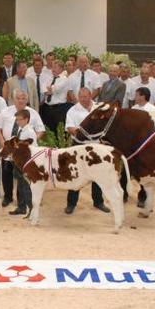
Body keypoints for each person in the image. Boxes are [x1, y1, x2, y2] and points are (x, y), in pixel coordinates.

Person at [0, 90, 45, 208]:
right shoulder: (5, 111)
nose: (20, 100)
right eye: (18, 98)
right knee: (6, 174)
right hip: (8, 150)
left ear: (27, 100)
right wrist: (2, 141)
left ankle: (22, 201)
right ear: (13, 99)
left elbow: (41, 130)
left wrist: (30, 143)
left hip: (23, 153)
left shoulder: (33, 113)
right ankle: (7, 197)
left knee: (22, 176)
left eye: (23, 98)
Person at [64, 87, 111, 215]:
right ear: (78, 97)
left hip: (97, 148)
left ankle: (98, 202)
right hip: (79, 147)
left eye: (86, 96)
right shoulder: (73, 110)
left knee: (98, 176)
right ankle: (71, 204)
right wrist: (84, 134)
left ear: (91, 95)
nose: (83, 99)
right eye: (81, 97)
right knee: (76, 176)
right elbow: (70, 128)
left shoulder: (99, 108)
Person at [9, 109, 38, 217]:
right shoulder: (21, 129)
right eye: (16, 120)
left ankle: (31, 210)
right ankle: (21, 207)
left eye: (20, 120)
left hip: (27, 163)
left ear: (26, 119)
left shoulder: (29, 131)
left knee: (26, 187)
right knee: (20, 186)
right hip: (19, 163)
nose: (17, 122)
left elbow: (31, 148)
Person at [41, 59, 71, 131]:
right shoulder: (49, 78)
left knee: (58, 131)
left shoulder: (64, 79)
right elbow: (43, 89)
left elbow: (55, 89)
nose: (53, 69)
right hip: (47, 108)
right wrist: (48, 90)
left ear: (61, 68)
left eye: (55, 67)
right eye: (52, 67)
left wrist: (50, 89)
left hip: (59, 109)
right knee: (48, 130)